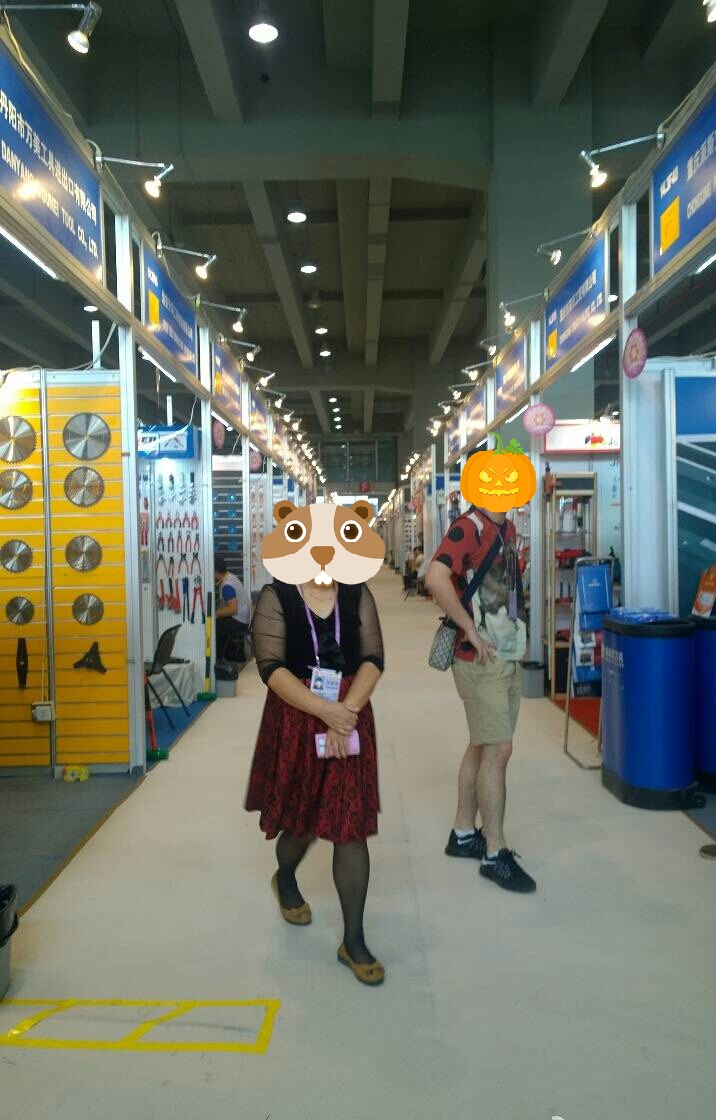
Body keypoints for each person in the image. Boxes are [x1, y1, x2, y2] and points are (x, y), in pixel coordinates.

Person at [245, 578, 386, 985]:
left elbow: (372, 658)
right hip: (297, 719)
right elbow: (271, 668)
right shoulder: (278, 596)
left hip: (350, 717)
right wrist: (325, 711)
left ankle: (353, 941)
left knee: (350, 826)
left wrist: (345, 713)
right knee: (302, 821)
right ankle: (286, 876)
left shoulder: (357, 592)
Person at [425, 505, 536, 893]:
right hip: (480, 659)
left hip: (504, 654)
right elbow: (435, 577)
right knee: (498, 749)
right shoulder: (469, 527)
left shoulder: (506, 527)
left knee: (484, 743)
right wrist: (469, 628)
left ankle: (462, 833)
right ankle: (494, 851)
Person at [214, 554, 251, 661]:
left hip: (239, 622)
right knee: (218, 623)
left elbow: (232, 609)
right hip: (243, 620)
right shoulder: (230, 577)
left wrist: (215, 614)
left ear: (216, 572)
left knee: (214, 626)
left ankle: (220, 659)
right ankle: (225, 656)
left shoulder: (227, 585)